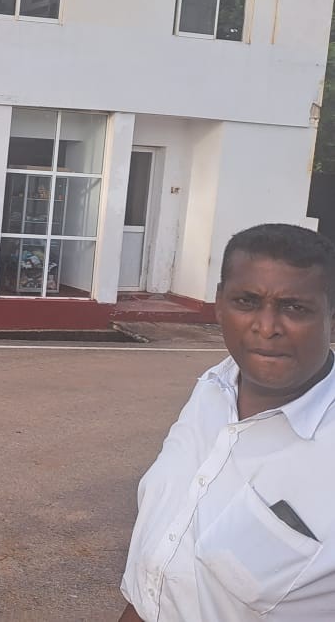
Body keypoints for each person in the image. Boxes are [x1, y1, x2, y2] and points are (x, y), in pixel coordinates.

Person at [119, 223, 335, 621]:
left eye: (295, 308)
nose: (266, 327)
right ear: (219, 303)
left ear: (331, 314)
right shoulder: (213, 388)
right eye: (246, 301)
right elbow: (163, 561)